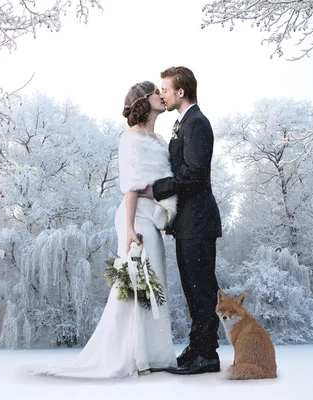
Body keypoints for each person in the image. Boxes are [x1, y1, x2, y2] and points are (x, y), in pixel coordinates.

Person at [37, 81, 177, 379]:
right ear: (143, 100)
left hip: (152, 217)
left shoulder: (160, 139)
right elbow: (131, 186)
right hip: (135, 216)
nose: (161, 96)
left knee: (156, 282)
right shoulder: (132, 138)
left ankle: (154, 353)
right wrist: (128, 229)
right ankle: (135, 355)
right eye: (155, 92)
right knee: (138, 283)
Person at [142, 66, 222, 375]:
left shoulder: (197, 123)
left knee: (201, 289)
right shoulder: (184, 123)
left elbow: (195, 173)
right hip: (189, 223)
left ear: (181, 92)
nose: (161, 93)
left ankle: (207, 355)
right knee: (192, 289)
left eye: (165, 88)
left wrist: (156, 189)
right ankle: (197, 348)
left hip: (199, 222)